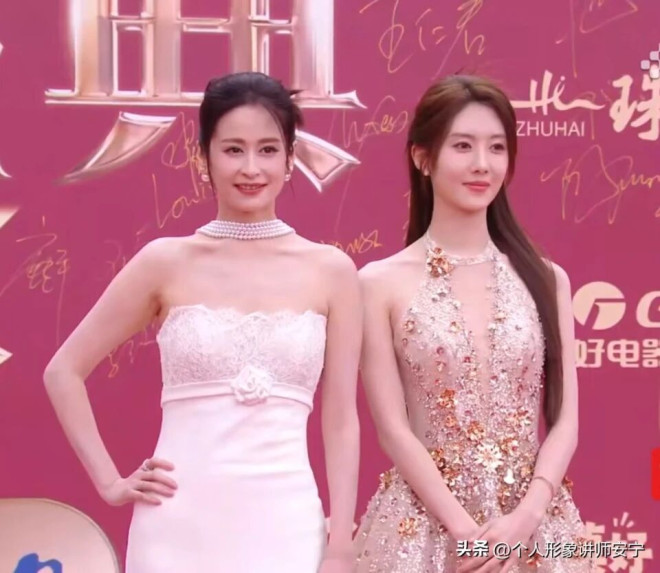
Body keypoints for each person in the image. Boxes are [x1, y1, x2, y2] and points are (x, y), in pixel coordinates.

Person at [44, 72, 361, 573]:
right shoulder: (165, 262)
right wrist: (110, 482)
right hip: (176, 526)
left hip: (287, 524)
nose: (251, 168)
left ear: (290, 158)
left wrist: (340, 541)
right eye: (233, 150)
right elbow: (63, 371)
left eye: (267, 150)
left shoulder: (332, 271)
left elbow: (341, 418)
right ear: (203, 159)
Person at [353, 75, 594, 572]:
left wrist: (527, 517)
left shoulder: (547, 279)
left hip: (534, 530)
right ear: (423, 158)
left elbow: (565, 420)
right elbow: (393, 430)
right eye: (462, 146)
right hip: (422, 528)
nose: (482, 164)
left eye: (496, 147)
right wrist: (466, 534)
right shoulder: (378, 283)